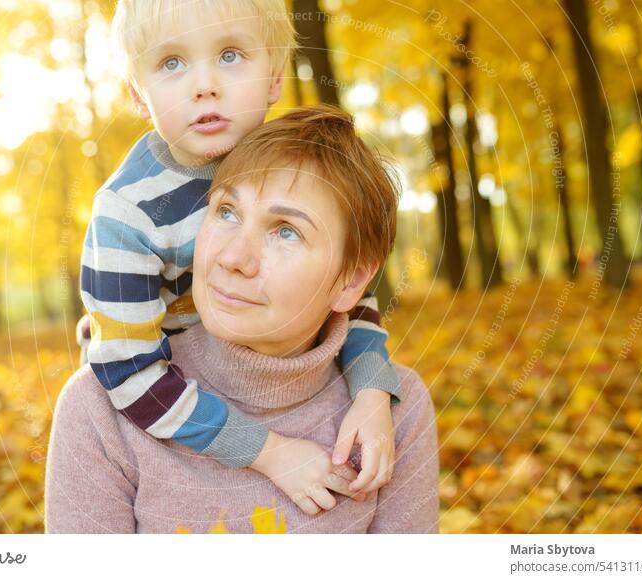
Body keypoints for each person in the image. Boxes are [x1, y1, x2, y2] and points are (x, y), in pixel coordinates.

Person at [46, 105, 439, 533]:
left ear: (352, 280)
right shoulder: (101, 411)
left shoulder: (392, 416)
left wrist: (372, 390)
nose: (234, 259)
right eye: (227, 212)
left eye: (286, 231)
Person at [77, 0, 404, 512]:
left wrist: (370, 390)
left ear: (275, 79)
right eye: (171, 63)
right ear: (138, 95)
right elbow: (131, 374)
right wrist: (269, 453)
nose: (204, 85)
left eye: (230, 54)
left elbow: (344, 290)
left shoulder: (295, 167)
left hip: (271, 369)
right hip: (160, 382)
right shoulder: (127, 214)